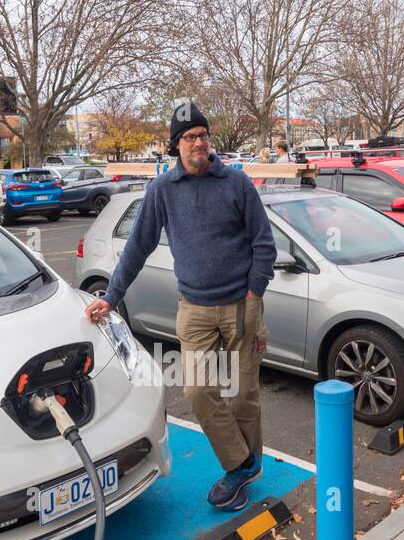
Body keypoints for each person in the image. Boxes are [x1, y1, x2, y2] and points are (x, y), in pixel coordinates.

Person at [84, 102, 275, 512]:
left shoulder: (237, 185)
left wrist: (254, 294)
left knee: (244, 394)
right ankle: (242, 463)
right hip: (195, 309)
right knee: (199, 391)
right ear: (176, 146)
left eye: (203, 134)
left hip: (242, 305)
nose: (198, 142)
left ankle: (245, 468)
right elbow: (138, 246)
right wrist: (111, 296)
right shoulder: (162, 191)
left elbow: (265, 245)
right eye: (189, 137)